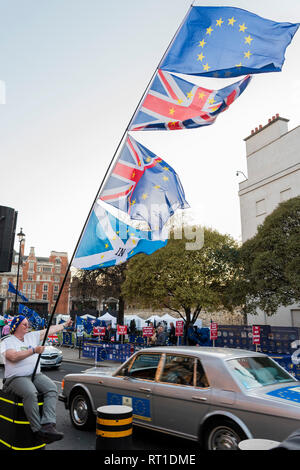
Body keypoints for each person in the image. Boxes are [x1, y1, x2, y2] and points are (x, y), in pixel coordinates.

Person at [0, 314, 73, 444]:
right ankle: (37, 430)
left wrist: (64, 325)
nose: (28, 326)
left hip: (35, 375)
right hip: (16, 377)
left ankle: (48, 425)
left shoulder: (32, 336)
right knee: (30, 392)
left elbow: (49, 330)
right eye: (24, 324)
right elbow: (13, 357)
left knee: (51, 388)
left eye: (28, 324)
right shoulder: (7, 341)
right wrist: (33, 350)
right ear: (16, 326)